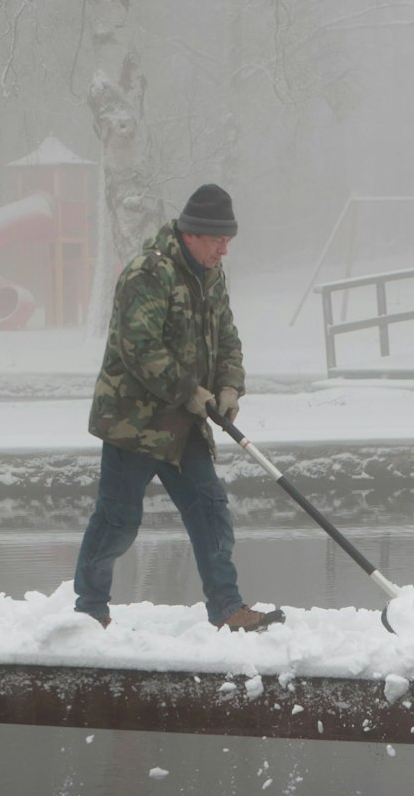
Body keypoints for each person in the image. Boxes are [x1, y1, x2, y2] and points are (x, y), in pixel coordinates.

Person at [71, 184, 285, 632]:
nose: (225, 250)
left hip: (187, 423)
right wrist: (189, 390)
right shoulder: (148, 273)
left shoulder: (211, 276)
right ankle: (90, 610)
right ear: (191, 233)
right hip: (135, 424)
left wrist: (229, 386)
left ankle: (227, 609)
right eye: (218, 240)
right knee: (118, 523)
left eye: (229, 241)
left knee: (210, 511)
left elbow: (227, 337)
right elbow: (140, 348)